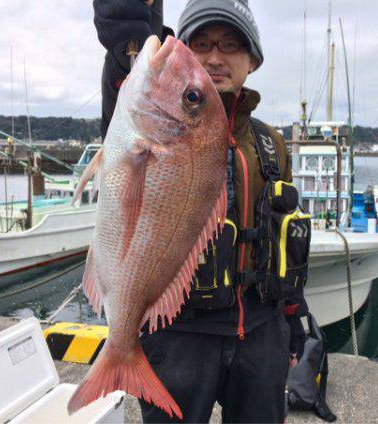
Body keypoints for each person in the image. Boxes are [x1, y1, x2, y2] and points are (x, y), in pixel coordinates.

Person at [93, 0, 307, 422]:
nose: (214, 57)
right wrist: (127, 48)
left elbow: (285, 236)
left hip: (263, 334)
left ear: (253, 60)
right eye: (201, 44)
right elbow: (126, 90)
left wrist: (293, 320)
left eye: (230, 45)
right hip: (178, 334)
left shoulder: (271, 144)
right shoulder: (150, 122)